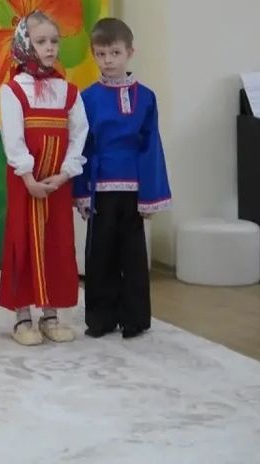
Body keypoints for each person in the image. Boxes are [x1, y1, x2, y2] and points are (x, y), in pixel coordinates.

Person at [73, 17, 170, 340]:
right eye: (101, 54)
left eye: (115, 53)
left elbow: (151, 146)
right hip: (100, 187)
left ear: (130, 52)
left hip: (133, 188)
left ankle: (135, 319)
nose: (108, 61)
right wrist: (81, 191)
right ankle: (100, 319)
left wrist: (150, 196)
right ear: (93, 55)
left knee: (133, 254)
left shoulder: (147, 97)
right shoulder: (86, 98)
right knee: (100, 254)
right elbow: (82, 146)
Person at [0, 11, 88, 346]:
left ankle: (50, 314)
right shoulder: (13, 90)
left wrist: (65, 173)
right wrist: (29, 178)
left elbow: (79, 134)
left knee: (56, 243)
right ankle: (22, 316)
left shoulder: (68, 91)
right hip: (27, 184)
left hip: (57, 184)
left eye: (54, 41)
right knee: (23, 241)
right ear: (24, 44)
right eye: (40, 41)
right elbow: (13, 137)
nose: (49, 48)